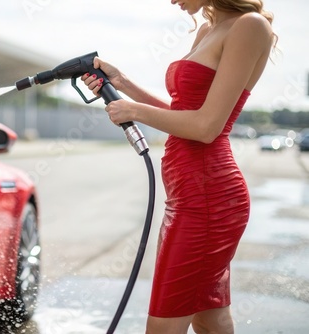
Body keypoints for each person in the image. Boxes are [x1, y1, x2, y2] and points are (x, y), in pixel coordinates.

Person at [82, 0, 276, 333]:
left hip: (209, 199)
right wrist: (122, 82)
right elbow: (181, 112)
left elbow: (206, 127)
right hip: (188, 195)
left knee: (163, 325)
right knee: (208, 318)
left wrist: (134, 112)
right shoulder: (206, 30)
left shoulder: (251, 26)